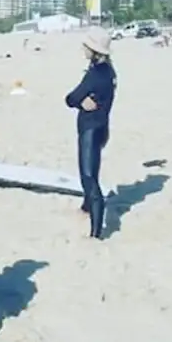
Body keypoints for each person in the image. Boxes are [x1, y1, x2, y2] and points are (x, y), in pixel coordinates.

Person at [64, 26, 117, 239]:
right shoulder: (109, 71)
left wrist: (78, 101)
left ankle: (96, 232)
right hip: (102, 127)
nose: (82, 48)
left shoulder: (95, 75)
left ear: (93, 50)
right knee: (92, 171)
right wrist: (81, 101)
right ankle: (86, 208)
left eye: (86, 45)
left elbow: (70, 98)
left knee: (88, 177)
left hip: (90, 129)